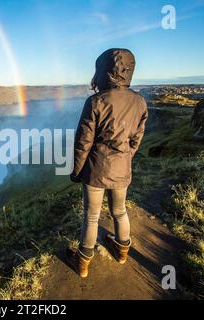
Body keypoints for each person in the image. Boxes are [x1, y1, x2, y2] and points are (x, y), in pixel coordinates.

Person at [67, 48, 148, 278]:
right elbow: (136, 139)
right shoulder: (140, 102)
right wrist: (124, 158)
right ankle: (122, 251)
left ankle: (82, 263)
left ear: (103, 71)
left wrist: (77, 171)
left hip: (95, 171)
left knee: (91, 217)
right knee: (120, 211)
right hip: (122, 168)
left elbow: (83, 142)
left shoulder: (95, 102)